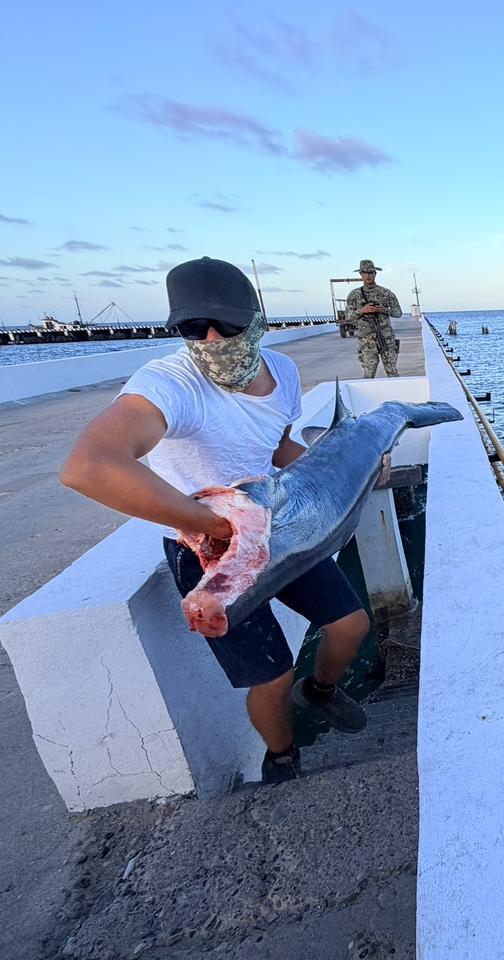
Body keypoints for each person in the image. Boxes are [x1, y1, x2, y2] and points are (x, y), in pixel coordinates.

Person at [60, 257, 375, 785]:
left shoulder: (285, 373)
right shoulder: (168, 382)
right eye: (191, 327)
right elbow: (88, 467)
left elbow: (275, 446)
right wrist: (215, 525)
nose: (209, 339)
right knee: (272, 677)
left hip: (279, 528)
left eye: (225, 326)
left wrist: (345, 470)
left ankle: (320, 691)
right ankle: (282, 759)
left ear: (255, 320)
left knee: (351, 626)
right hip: (207, 548)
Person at [346, 258, 402, 378]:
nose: (368, 276)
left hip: (386, 339)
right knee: (369, 374)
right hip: (367, 341)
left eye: (371, 273)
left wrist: (384, 310)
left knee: (392, 371)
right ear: (361, 275)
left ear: (375, 274)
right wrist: (362, 310)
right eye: (365, 273)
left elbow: (398, 313)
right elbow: (349, 317)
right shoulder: (354, 295)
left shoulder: (385, 293)